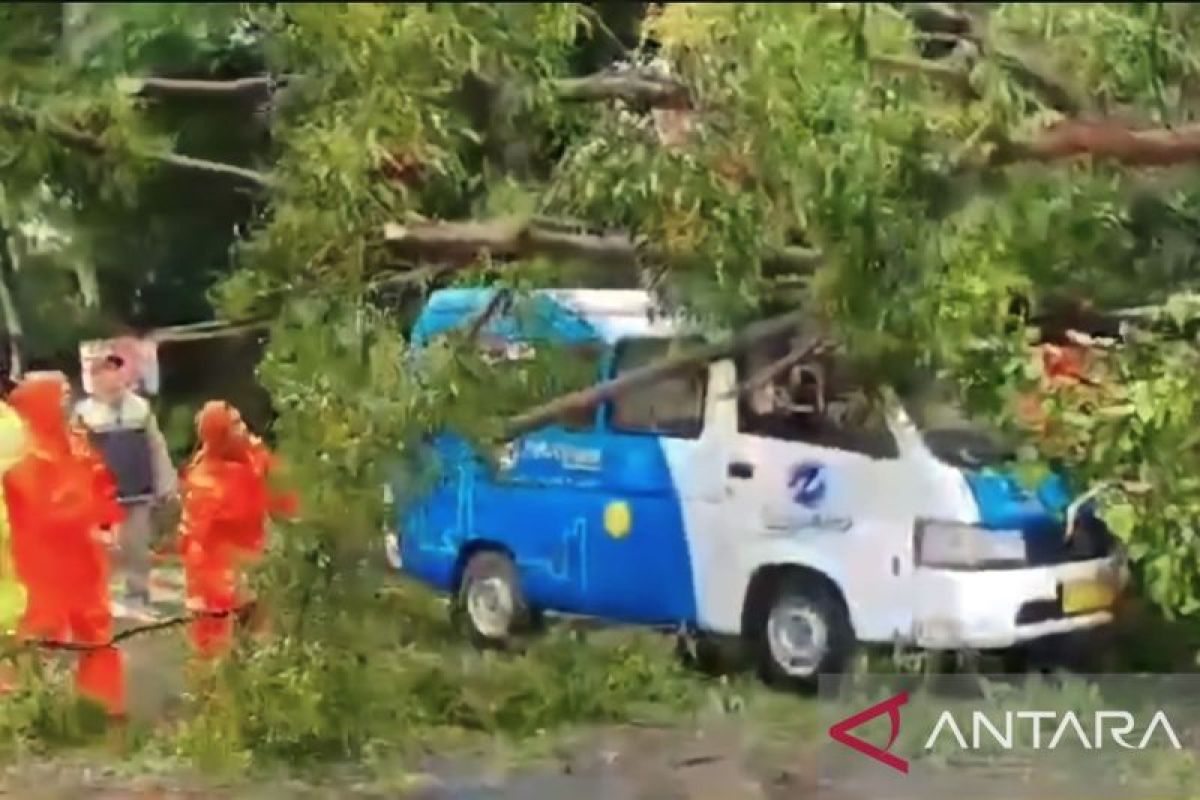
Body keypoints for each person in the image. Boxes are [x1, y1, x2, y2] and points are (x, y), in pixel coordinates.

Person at [5, 372, 126, 715]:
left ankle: (102, 709)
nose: (68, 402)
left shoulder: (77, 443)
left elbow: (102, 483)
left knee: (98, 635)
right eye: (61, 396)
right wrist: (85, 517)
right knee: (39, 637)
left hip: (85, 562)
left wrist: (108, 521)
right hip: (42, 566)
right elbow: (44, 512)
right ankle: (29, 712)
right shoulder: (23, 458)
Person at [178, 401, 294, 658]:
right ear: (220, 438)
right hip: (214, 575)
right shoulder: (205, 482)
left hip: (249, 564)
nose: (244, 430)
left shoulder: (253, 454)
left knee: (256, 638)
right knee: (213, 652)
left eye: (241, 421)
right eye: (234, 426)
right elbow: (198, 541)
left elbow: (284, 496)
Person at [74, 354, 176, 619]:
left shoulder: (140, 409)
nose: (112, 376)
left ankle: (138, 593)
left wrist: (166, 483)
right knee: (104, 549)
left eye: (116, 369)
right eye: (105, 371)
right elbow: (75, 454)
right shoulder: (84, 414)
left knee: (138, 545)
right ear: (94, 378)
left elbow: (156, 447)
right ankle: (100, 599)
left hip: (138, 489)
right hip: (101, 496)